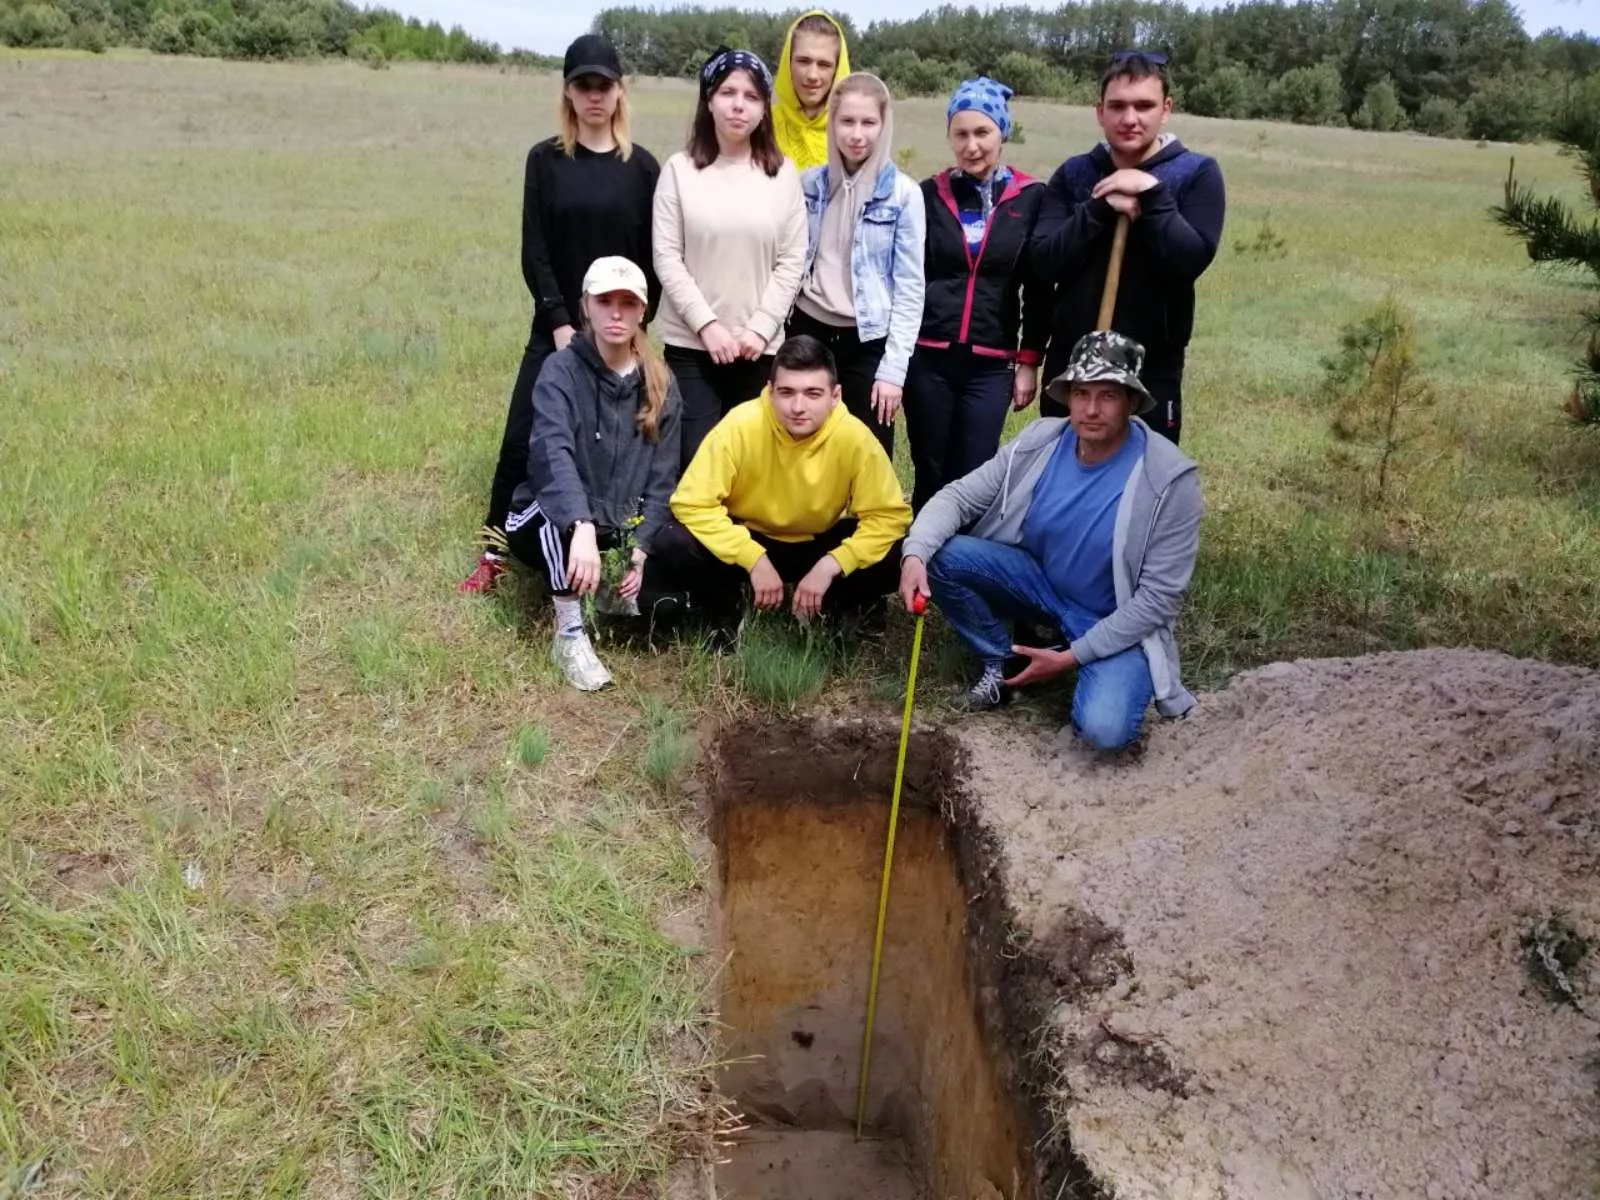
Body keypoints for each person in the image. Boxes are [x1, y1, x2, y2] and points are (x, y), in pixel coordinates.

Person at [898, 331, 1202, 752]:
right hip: (1039, 582)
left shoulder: (1170, 479)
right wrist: (914, 553)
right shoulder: (1041, 440)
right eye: (1081, 393)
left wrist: (1071, 658)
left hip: (1111, 618)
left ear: (1132, 402)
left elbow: (1158, 601)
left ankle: (1067, 660)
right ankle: (1001, 661)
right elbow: (959, 496)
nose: (1090, 409)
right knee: (942, 554)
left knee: (1104, 731)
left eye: (1107, 396)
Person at [461, 33, 660, 595]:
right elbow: (535, 250)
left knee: (623, 441)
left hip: (623, 330)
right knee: (523, 439)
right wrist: (560, 322)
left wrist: (634, 328)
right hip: (557, 329)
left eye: (605, 85)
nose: (594, 95)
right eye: (583, 85)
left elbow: (654, 259)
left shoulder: (642, 168)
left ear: (620, 92)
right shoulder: (545, 160)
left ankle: (620, 547)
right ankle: (495, 549)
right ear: (568, 93)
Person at [502, 257, 683, 692]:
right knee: (554, 523)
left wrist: (639, 550)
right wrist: (580, 525)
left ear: (643, 310)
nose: (616, 313)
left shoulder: (661, 383)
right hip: (549, 513)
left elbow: (663, 479)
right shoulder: (560, 371)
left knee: (668, 608)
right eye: (605, 301)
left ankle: (604, 586)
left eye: (628, 302)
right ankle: (568, 632)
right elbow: (551, 453)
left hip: (617, 523)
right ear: (586, 306)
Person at [1033, 51, 1226, 445]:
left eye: (1144, 106)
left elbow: (1189, 260)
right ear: (1099, 111)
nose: (1130, 118)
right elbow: (1042, 262)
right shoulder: (1074, 174)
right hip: (1073, 366)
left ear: (1166, 109)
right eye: (1117, 106)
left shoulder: (1196, 173)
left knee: (1142, 481)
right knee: (1058, 478)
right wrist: (1099, 208)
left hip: (1151, 368)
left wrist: (1153, 198)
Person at [656, 335, 910, 624]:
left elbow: (888, 518)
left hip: (818, 542)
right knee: (672, 542)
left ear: (835, 396)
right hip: (749, 533)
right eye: (787, 392)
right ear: (771, 390)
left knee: (904, 551)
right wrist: (752, 558)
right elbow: (691, 503)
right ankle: (726, 603)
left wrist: (832, 564)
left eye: (813, 394)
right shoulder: (741, 424)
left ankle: (832, 604)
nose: (798, 406)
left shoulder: (855, 437)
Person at [654, 47, 808, 470]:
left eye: (752, 95)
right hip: (692, 347)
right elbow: (667, 257)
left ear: (764, 109)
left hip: (758, 348)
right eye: (727, 92)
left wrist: (759, 330)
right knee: (698, 461)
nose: (739, 104)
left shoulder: (783, 175)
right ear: (708, 100)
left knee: (753, 463)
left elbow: (793, 260)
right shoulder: (680, 171)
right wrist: (708, 327)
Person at [903, 77, 1051, 514]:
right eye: (961, 133)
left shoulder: (1031, 197)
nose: (972, 145)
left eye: (982, 132)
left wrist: (1028, 363)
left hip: (991, 363)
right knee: (929, 465)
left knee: (974, 470)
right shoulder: (928, 194)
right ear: (950, 135)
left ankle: (958, 565)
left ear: (1002, 132)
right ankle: (919, 564)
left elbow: (1039, 289)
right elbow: (908, 276)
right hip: (928, 356)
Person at [789, 72, 925, 459]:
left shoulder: (904, 195)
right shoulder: (809, 184)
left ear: (884, 125)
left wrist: (893, 370)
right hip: (809, 327)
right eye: (847, 121)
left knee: (868, 452)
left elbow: (910, 287)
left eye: (869, 122)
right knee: (803, 442)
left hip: (867, 338)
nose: (857, 134)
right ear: (832, 124)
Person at [773, 10, 851, 170]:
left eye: (824, 65)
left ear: (837, 70)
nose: (812, 75)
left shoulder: (854, 130)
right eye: (803, 61)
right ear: (788, 64)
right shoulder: (761, 126)